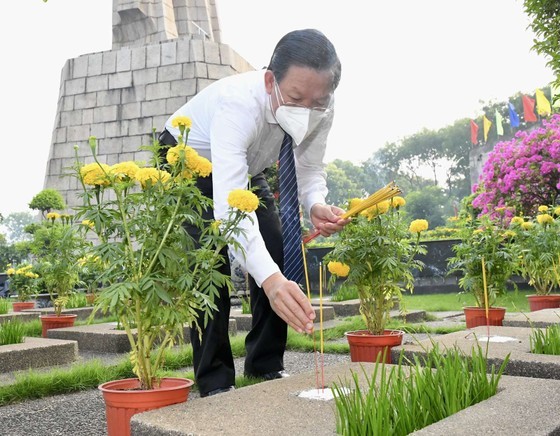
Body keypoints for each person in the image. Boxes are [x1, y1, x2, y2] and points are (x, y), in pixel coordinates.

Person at [158, 28, 349, 397]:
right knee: (208, 262)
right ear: (269, 81)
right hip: (185, 157)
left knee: (274, 246)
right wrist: (272, 282)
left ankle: (265, 365)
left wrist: (315, 204)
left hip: (245, 166)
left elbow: (309, 168)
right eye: (295, 98)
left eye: (318, 102)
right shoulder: (238, 104)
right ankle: (215, 382)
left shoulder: (321, 104)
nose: (306, 111)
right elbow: (230, 210)